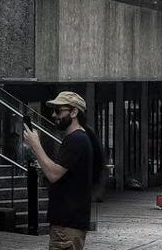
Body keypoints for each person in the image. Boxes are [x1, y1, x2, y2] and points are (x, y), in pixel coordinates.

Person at [23, 90, 105, 250]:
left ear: (74, 112)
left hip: (66, 226)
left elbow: (54, 174)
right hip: (68, 224)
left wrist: (36, 145)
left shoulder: (76, 140)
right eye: (53, 111)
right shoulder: (78, 138)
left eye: (59, 111)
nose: (54, 115)